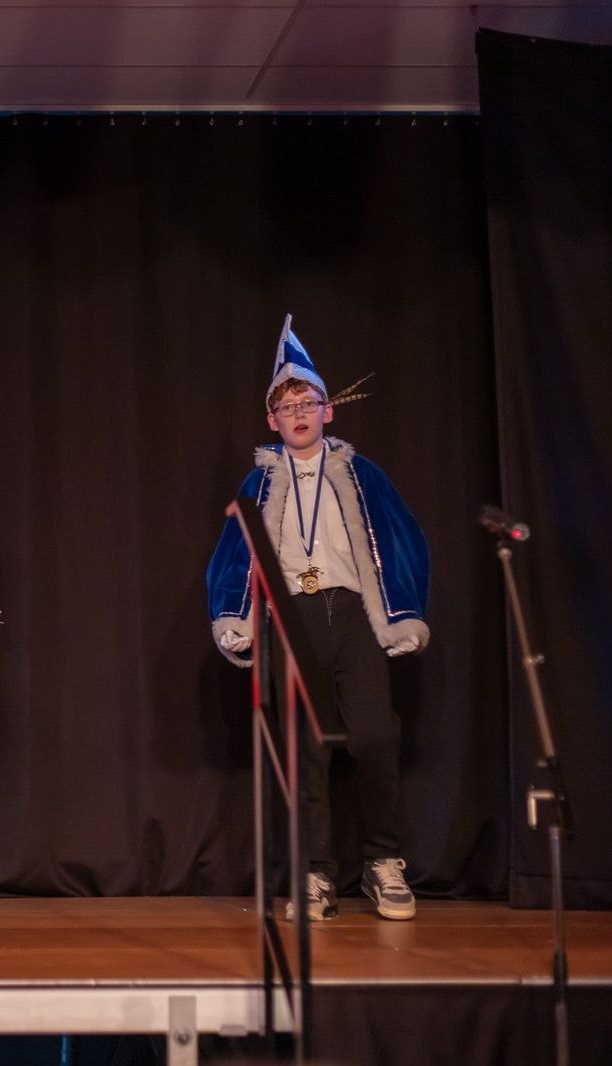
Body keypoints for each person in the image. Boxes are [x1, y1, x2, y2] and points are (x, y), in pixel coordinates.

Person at [206, 317, 429, 921]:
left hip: (353, 613)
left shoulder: (361, 474)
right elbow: (234, 554)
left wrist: (404, 614)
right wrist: (233, 617)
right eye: (287, 406)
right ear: (272, 420)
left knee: (374, 736)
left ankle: (383, 861)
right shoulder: (260, 480)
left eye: (308, 403)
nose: (299, 413)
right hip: (292, 617)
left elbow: (402, 540)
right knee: (305, 748)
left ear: (328, 411)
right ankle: (315, 872)